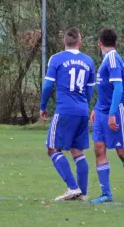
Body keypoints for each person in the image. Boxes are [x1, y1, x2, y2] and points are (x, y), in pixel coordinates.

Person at [40, 27, 95, 201]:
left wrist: (43, 105)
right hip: (82, 110)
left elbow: (48, 86)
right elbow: (90, 89)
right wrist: (83, 103)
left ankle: (73, 187)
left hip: (65, 110)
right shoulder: (88, 61)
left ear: (64, 42)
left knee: (52, 148)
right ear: (80, 42)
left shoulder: (56, 59)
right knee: (77, 150)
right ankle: (82, 193)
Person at [90, 28, 124, 204]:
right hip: (102, 111)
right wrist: (96, 107)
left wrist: (112, 114)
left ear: (99, 44)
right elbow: (105, 88)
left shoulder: (112, 59)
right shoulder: (106, 60)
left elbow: (118, 88)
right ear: (116, 43)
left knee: (122, 152)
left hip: (116, 111)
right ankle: (106, 194)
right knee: (99, 148)